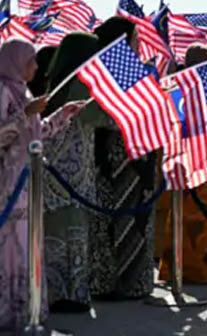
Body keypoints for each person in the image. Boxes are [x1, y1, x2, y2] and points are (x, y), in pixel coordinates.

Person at [0, 38, 83, 331]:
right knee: (10, 246)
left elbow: (38, 132)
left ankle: (29, 308)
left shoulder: (21, 91)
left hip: (29, 181)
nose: (36, 67)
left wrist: (62, 116)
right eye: (31, 61)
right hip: (9, 185)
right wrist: (26, 113)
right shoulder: (3, 90)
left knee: (27, 241)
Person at [89, 17, 159, 300]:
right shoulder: (103, 73)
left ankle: (134, 282)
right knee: (109, 223)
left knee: (135, 222)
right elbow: (108, 117)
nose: (138, 45)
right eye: (134, 40)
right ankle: (108, 282)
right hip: (113, 159)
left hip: (136, 161)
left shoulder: (134, 72)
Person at [158, 44, 207, 284]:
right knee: (202, 213)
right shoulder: (195, 85)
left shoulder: (174, 85)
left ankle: (181, 269)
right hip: (203, 158)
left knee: (190, 214)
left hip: (189, 158)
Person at [42, 33, 106, 312]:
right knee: (72, 231)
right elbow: (97, 117)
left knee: (58, 231)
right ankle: (70, 294)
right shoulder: (80, 83)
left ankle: (56, 292)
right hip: (71, 170)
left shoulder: (58, 80)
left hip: (60, 168)